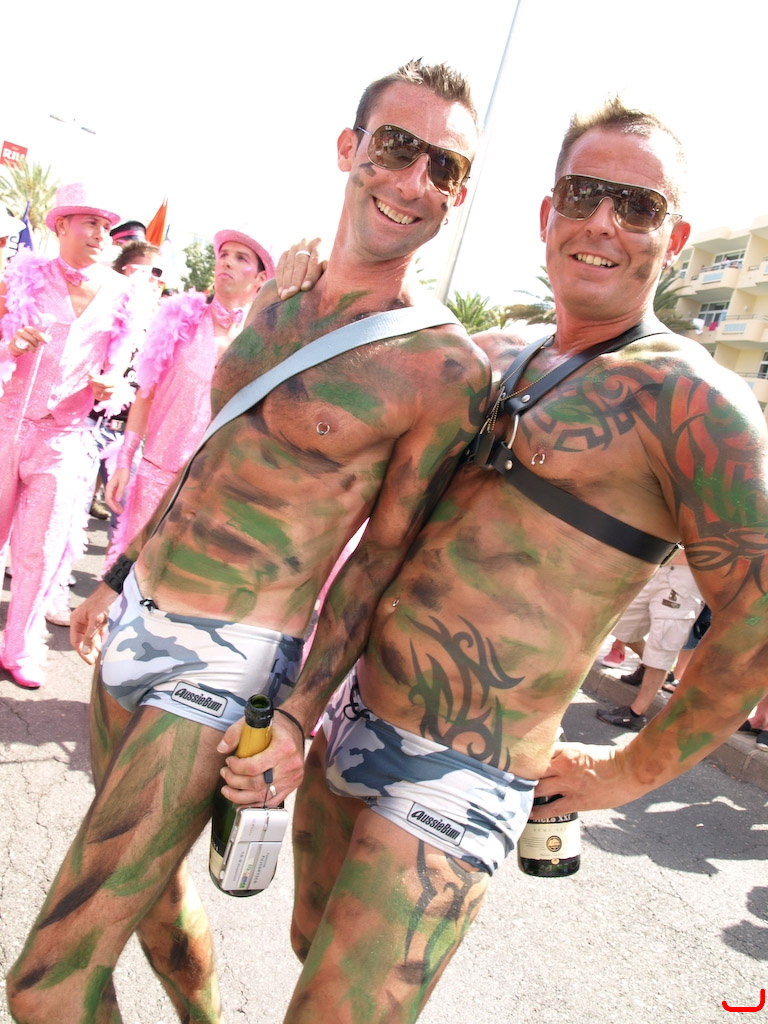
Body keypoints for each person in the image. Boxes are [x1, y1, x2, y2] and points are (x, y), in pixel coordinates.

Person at [247, 97, 768, 1023]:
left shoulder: (695, 403)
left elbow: (756, 617)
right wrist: (316, 276)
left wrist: (626, 772)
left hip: (464, 771)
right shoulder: (494, 355)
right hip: (352, 721)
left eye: (638, 206)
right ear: (547, 212)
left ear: (675, 237)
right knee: (308, 949)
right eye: (583, 195)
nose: (603, 222)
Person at [6, 59, 489, 1024]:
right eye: (397, 148)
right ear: (350, 149)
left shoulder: (442, 368)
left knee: (47, 988)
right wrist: (118, 574)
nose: (414, 181)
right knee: (152, 905)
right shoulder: (278, 303)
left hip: (229, 663)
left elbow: (381, 561)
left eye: (444, 167)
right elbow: (209, 459)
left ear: (459, 194)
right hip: (140, 617)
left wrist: (300, 718)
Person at [0, 183, 140, 687]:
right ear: (61, 226)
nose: (101, 234)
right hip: (5, 426)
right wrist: (11, 346)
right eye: (90, 223)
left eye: (106, 226)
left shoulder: (124, 294)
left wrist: (112, 384)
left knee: (39, 552)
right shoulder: (23, 276)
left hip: (63, 439)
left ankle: (18, 647)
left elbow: (120, 369)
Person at [103, 228, 273, 567]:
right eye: (224, 255)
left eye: (241, 258)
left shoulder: (262, 344)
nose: (227, 262)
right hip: (154, 477)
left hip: (212, 493)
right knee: (126, 578)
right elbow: (146, 394)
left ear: (260, 279)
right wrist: (125, 459)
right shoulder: (178, 320)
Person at [595, 548, 704, 729]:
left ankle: (636, 714)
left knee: (662, 646)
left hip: (687, 576)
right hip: (658, 565)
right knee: (621, 626)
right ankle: (648, 666)